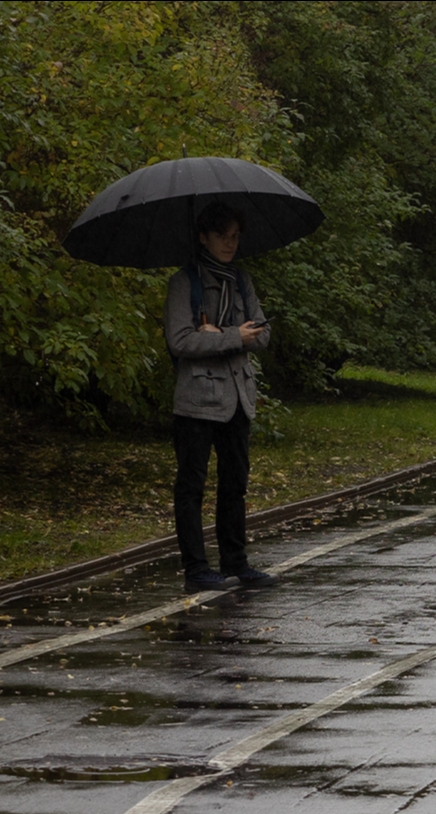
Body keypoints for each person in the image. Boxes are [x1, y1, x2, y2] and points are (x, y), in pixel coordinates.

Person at [163, 202, 277, 593]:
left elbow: (262, 333)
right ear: (203, 237)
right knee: (191, 485)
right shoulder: (185, 282)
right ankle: (196, 568)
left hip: (238, 396)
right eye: (222, 236)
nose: (230, 244)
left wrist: (224, 334)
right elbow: (179, 341)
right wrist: (233, 337)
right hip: (197, 400)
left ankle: (236, 562)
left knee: (235, 484)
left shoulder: (241, 280)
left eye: (235, 236)